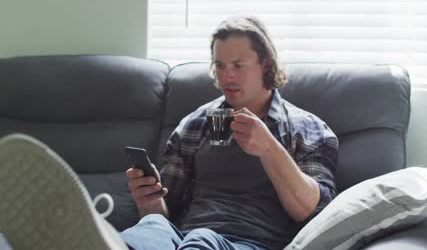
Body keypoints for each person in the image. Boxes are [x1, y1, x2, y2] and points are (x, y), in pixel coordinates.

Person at [0, 16, 338, 250]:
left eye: (238, 65)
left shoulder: (306, 128)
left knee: (201, 240)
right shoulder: (196, 124)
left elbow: (310, 210)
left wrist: (269, 148)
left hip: (250, 241)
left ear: (265, 63)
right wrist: (149, 201)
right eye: (220, 66)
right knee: (150, 230)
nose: (227, 77)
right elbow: (167, 212)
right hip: (182, 235)